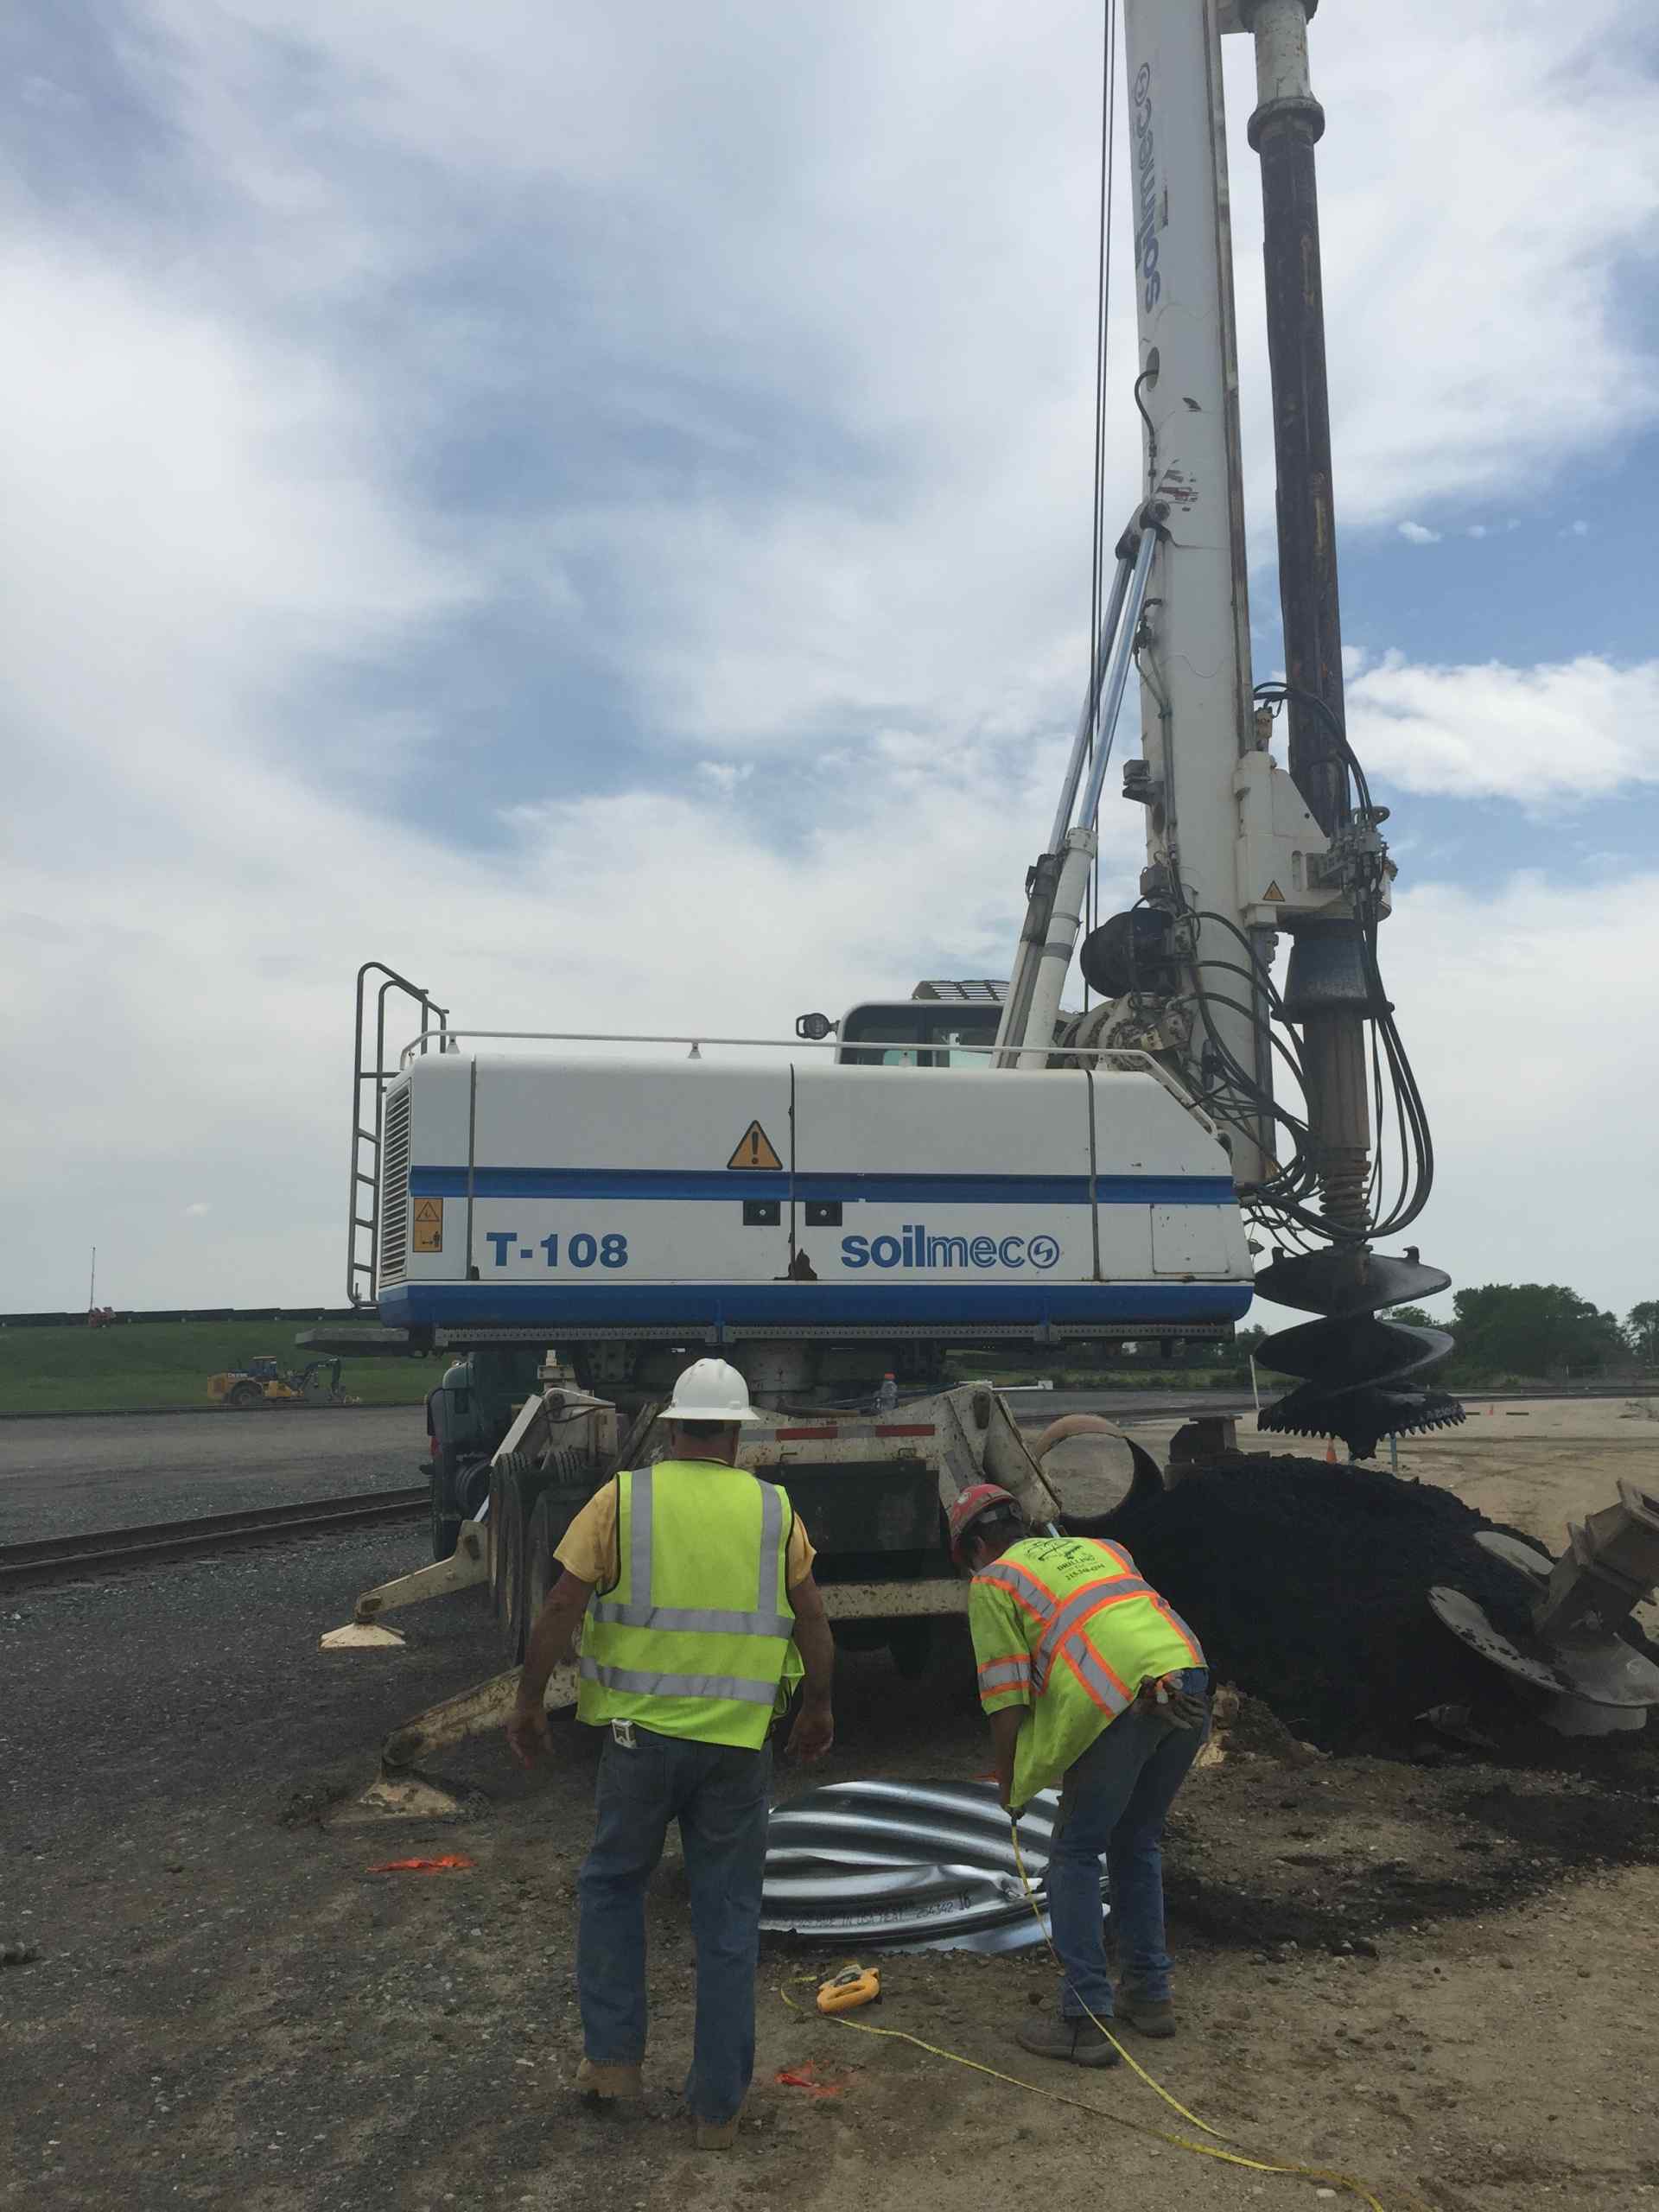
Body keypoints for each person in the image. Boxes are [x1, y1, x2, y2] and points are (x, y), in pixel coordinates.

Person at [508, 1358, 835, 2147]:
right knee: (728, 1917)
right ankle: (717, 2111)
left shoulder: (623, 1499)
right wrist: (818, 1707)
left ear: (674, 1426)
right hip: (736, 1749)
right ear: (736, 1436)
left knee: (613, 1888)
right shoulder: (774, 1510)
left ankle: (613, 2067)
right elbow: (813, 1620)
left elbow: (562, 1603)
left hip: (639, 1744)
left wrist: (529, 1701)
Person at [949, 1482, 1209, 2069]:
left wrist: (1010, 1784)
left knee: (1074, 1853)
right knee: (1136, 1841)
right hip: (1188, 1682)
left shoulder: (994, 1582)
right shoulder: (1104, 1549)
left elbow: (1005, 1698)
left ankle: (1084, 2019)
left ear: (975, 1549)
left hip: (1123, 1700)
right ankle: (1149, 1994)